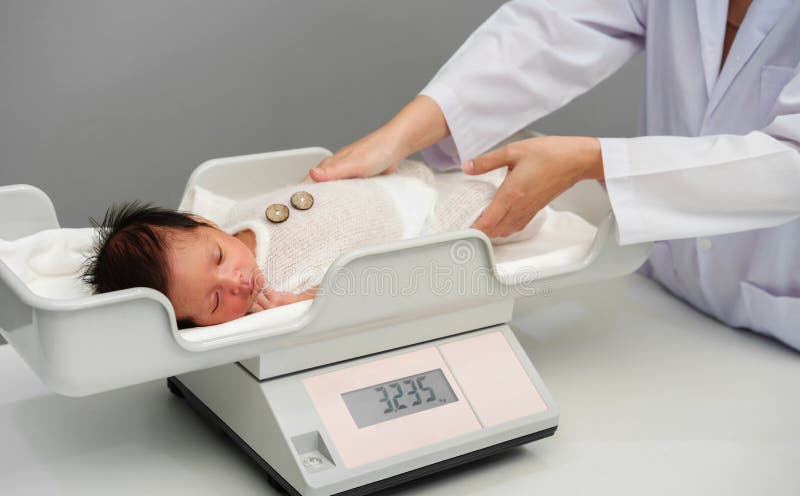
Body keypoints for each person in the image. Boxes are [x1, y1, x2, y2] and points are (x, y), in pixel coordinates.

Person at [306, 0, 800, 350]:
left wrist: (594, 162)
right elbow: (552, 28)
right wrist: (402, 133)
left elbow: (790, 162)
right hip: (660, 306)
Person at [82, 160, 554, 327]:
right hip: (426, 218)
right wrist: (301, 301)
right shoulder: (278, 293)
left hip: (389, 179)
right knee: (502, 204)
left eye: (219, 258)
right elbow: (349, 287)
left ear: (202, 223)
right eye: (213, 300)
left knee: (468, 159)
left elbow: (212, 200)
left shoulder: (226, 219)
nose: (236, 282)